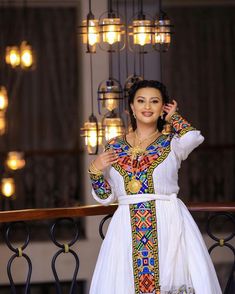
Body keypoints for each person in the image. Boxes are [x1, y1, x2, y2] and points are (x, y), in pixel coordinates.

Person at [88, 80, 222, 294]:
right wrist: (95, 170)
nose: (147, 107)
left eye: (155, 101)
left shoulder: (172, 143)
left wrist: (174, 117)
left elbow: (193, 137)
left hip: (166, 222)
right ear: (131, 107)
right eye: (141, 101)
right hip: (125, 227)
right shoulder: (114, 145)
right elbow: (108, 196)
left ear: (163, 108)